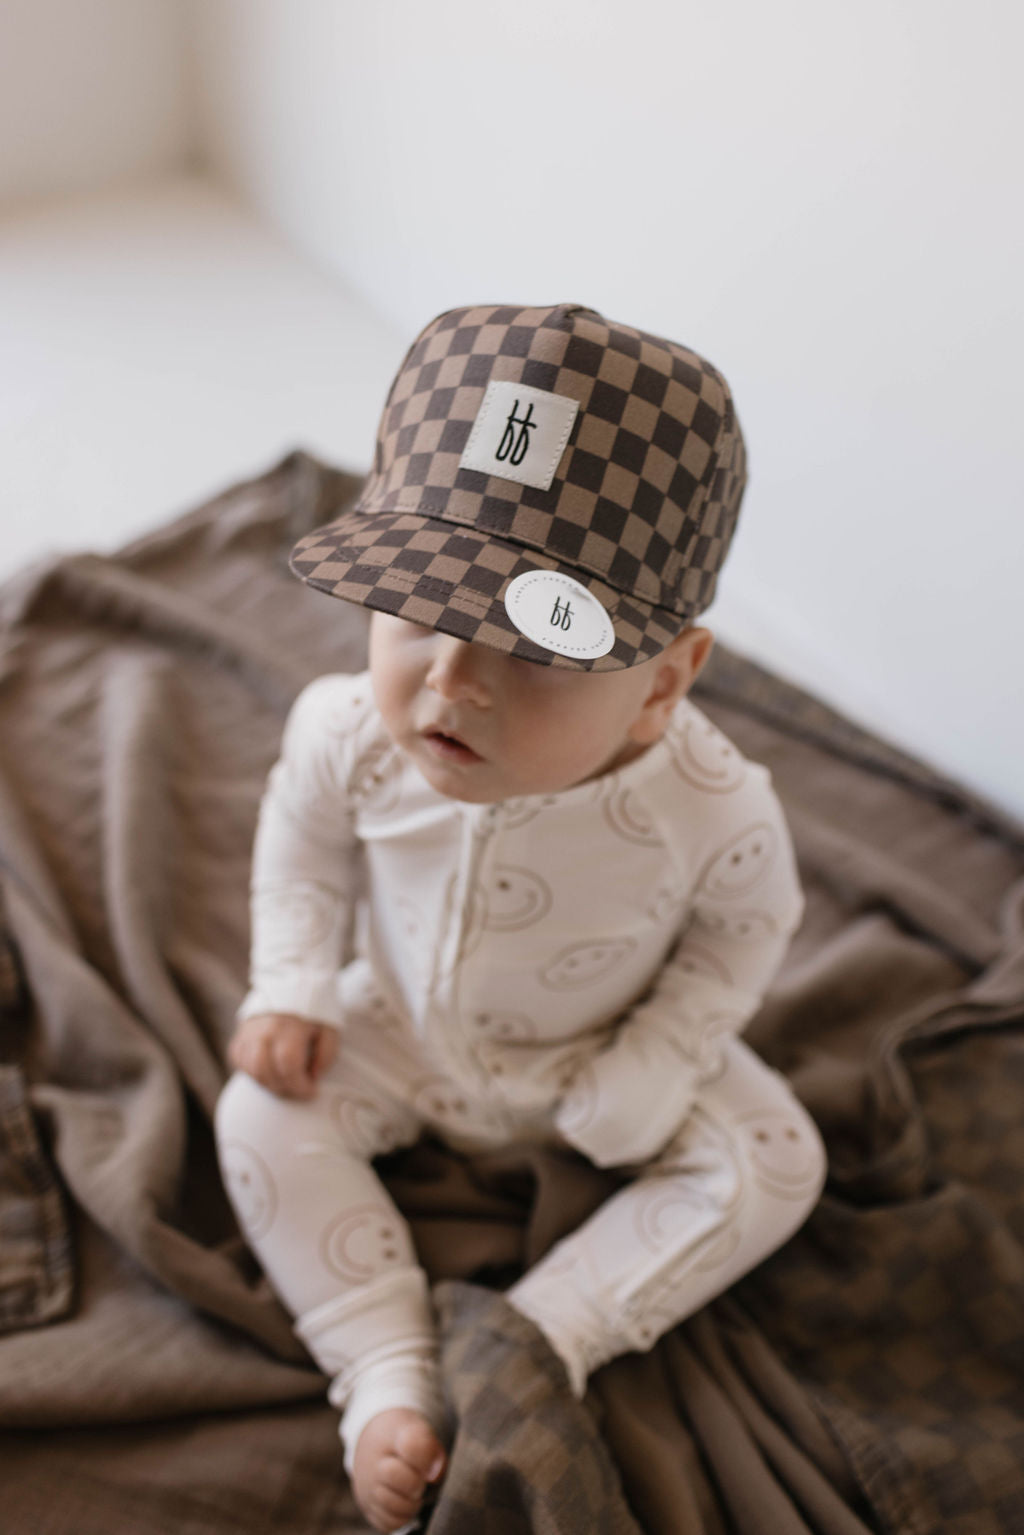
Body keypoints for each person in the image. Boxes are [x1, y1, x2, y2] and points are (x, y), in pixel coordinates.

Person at [215, 302, 828, 1534]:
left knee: (776, 1160)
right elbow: (302, 841)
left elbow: (740, 935)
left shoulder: (714, 809)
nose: (453, 683)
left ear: (662, 683)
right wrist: (287, 982)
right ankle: (381, 1364)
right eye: (419, 609)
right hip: (391, 1026)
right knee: (259, 1113)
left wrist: (660, 1057)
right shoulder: (347, 732)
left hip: (594, 1056)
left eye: (536, 645)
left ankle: (540, 1333)